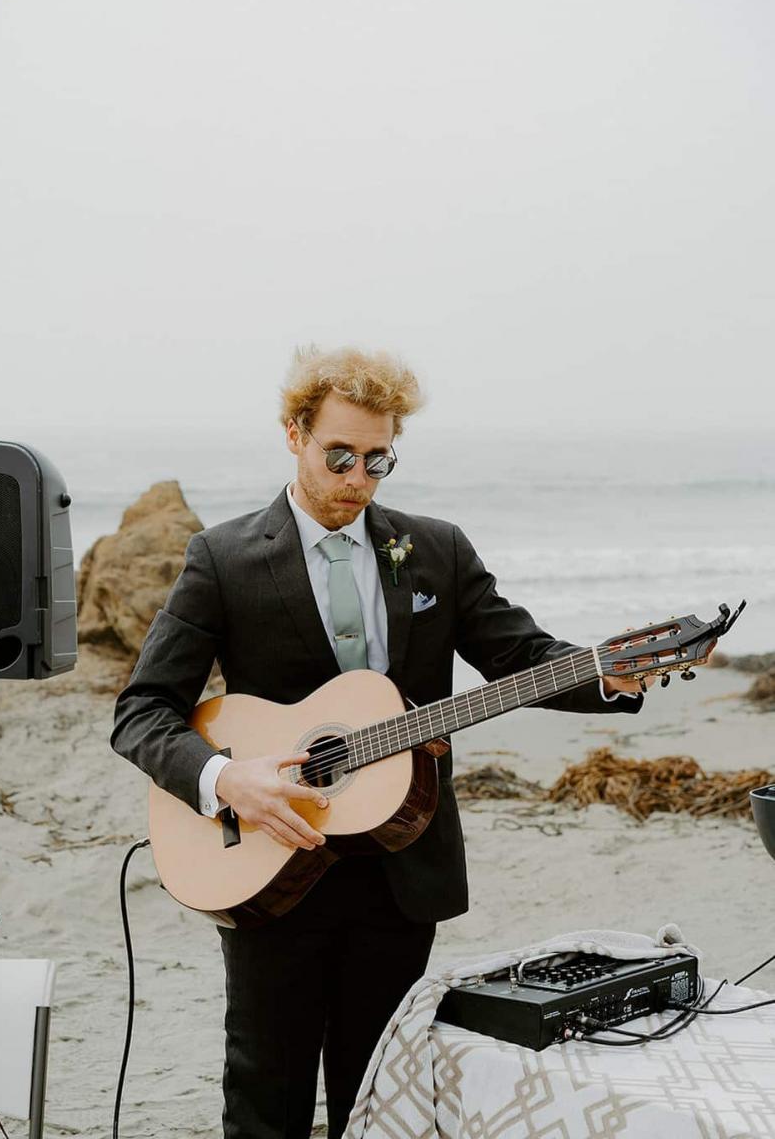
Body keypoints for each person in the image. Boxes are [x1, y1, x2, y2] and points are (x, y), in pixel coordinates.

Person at [111, 345, 646, 1139]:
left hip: (401, 864)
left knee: (380, 1092)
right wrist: (225, 778)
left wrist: (609, 673)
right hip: (270, 857)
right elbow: (143, 710)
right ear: (294, 434)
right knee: (266, 1085)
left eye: (376, 461)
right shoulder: (222, 560)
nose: (357, 479)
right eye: (339, 456)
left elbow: (519, 657)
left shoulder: (435, 548)